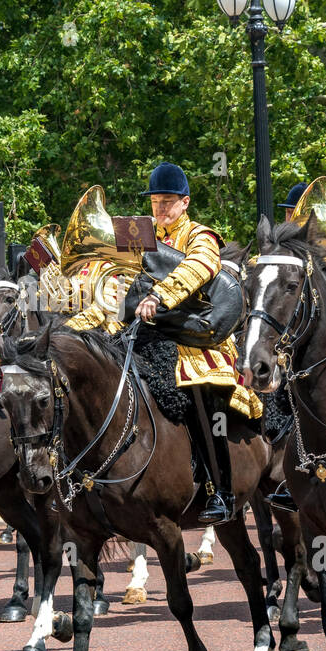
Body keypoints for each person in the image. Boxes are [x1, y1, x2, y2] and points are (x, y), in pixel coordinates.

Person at [133, 162, 261, 525]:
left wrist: (160, 295)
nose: (160, 209)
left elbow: (200, 268)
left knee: (205, 396)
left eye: (168, 202)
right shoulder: (142, 237)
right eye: (156, 202)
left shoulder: (201, 236)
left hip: (199, 338)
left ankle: (220, 489)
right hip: (151, 332)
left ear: (185, 202)